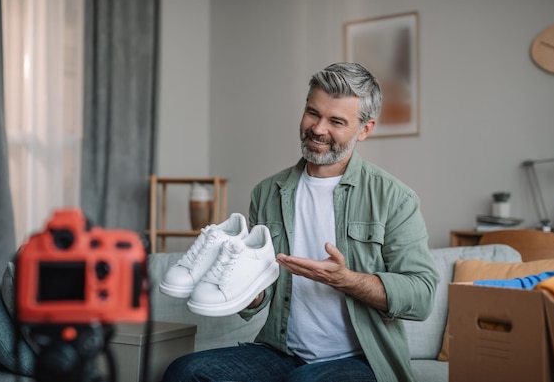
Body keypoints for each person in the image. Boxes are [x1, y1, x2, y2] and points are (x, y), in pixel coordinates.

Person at [162, 62, 440, 382]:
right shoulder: (267, 192)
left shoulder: (394, 198)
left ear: (364, 129)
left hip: (362, 359)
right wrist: (245, 290)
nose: (318, 129)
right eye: (313, 113)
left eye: (336, 121)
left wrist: (346, 279)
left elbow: (422, 296)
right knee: (185, 372)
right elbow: (258, 295)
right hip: (282, 352)